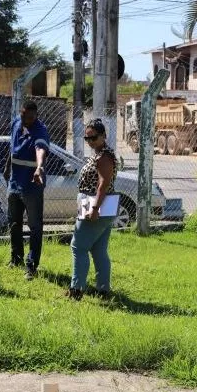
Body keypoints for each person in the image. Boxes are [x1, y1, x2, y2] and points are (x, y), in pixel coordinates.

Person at [66, 119, 118, 300]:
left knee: (78, 247)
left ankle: (76, 290)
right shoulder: (100, 154)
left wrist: (95, 208)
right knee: (98, 250)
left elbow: (103, 184)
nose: (89, 142)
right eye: (86, 138)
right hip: (100, 206)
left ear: (104, 136)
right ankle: (103, 290)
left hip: (95, 205)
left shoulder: (104, 157)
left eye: (93, 138)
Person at [3, 100, 50, 281]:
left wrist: (39, 167)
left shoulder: (40, 130)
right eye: (24, 117)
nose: (26, 121)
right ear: (20, 113)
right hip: (14, 183)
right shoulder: (16, 123)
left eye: (30, 118)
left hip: (32, 185)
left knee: (34, 226)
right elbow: (11, 147)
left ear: (36, 116)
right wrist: (7, 167)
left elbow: (40, 149)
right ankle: (16, 258)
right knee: (14, 223)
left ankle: (31, 266)